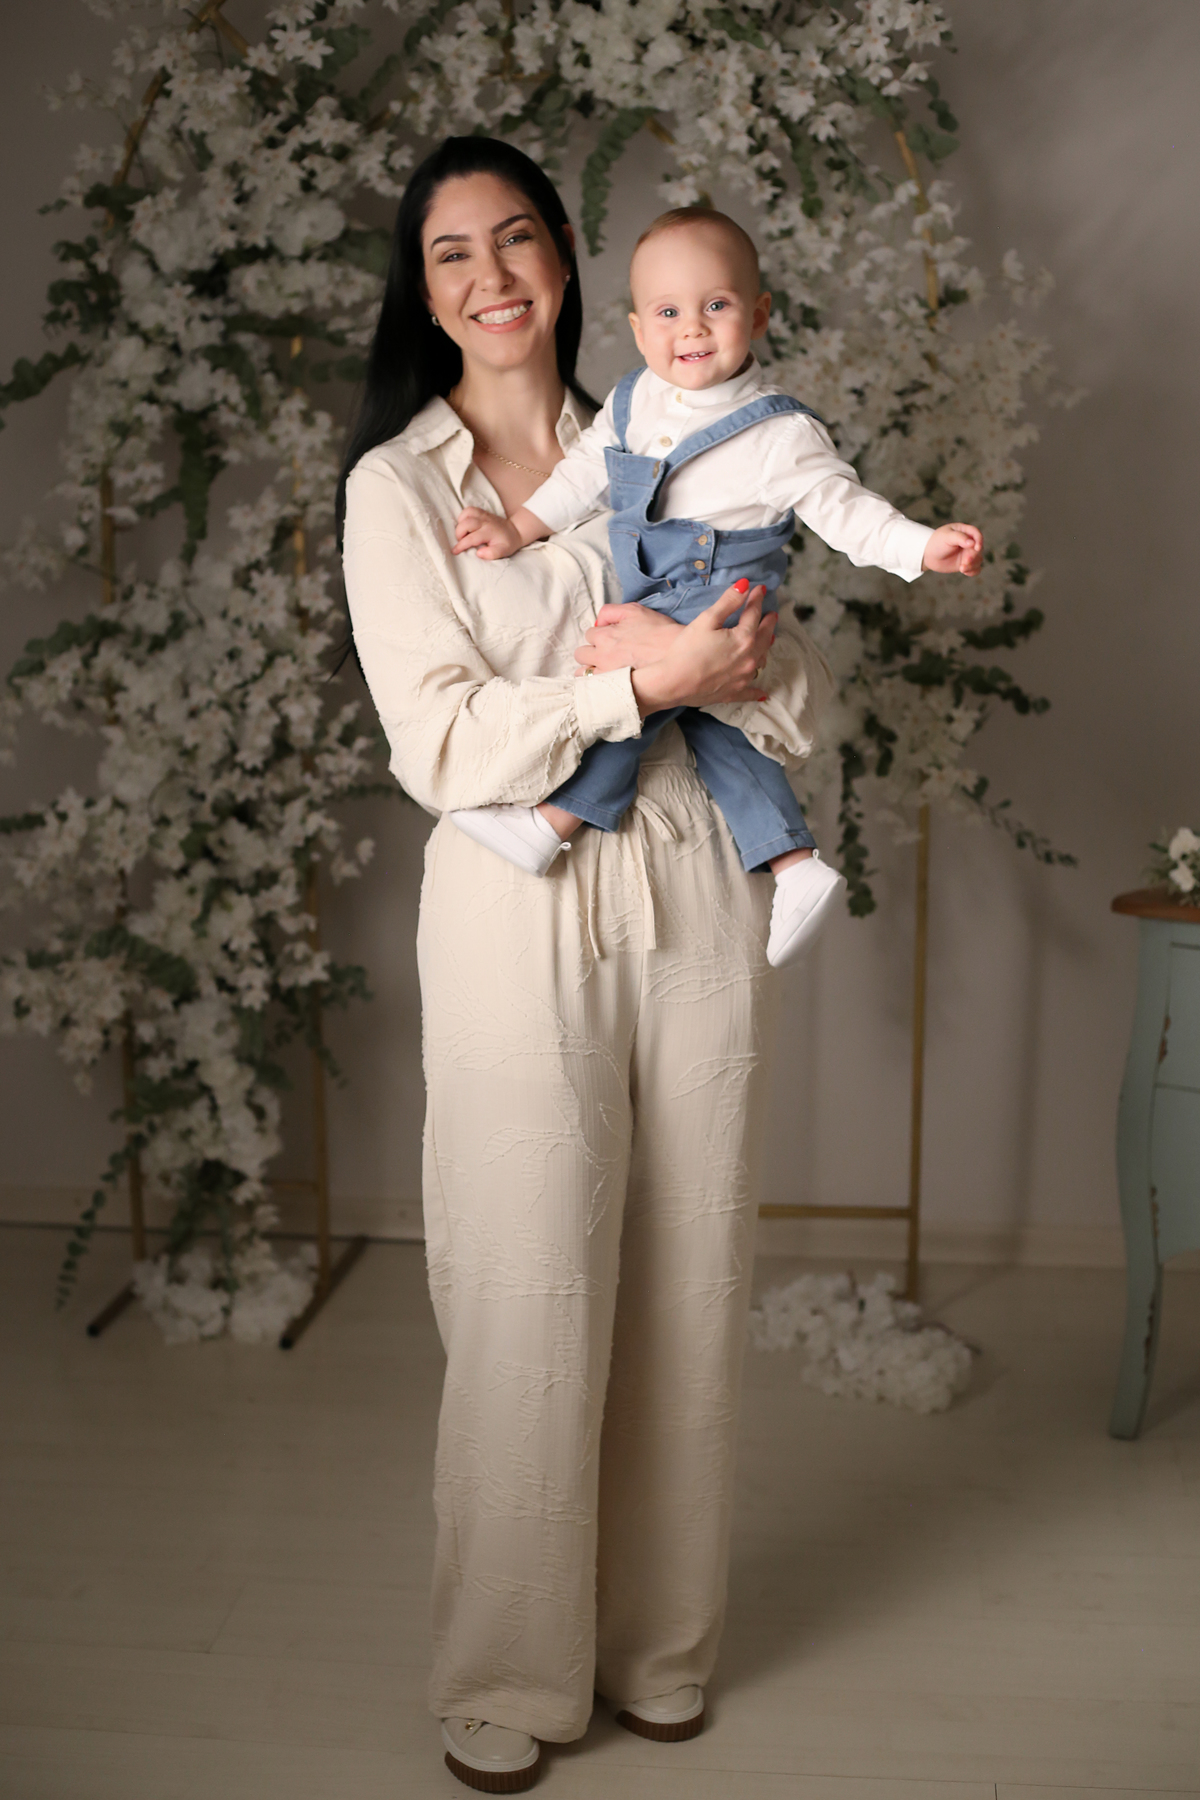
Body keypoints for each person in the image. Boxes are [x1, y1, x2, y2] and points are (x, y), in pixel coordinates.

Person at [339, 137, 831, 1794]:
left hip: (694, 880)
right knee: (525, 1294)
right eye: (452, 254)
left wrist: (741, 670)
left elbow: (787, 688)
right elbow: (441, 740)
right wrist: (645, 685)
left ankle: (660, 1649)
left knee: (689, 1283)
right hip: (513, 900)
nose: (491, 278)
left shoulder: (682, 424)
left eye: (519, 240)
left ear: (567, 260)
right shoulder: (399, 489)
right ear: (425, 292)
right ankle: (509, 1669)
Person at [448, 206, 984, 967]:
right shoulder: (632, 400)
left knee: (634, 694)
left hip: (721, 593)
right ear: (639, 330)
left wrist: (923, 545)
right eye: (668, 312)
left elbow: (846, 509)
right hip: (658, 588)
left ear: (757, 315)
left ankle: (553, 822)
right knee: (716, 730)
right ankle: (794, 865)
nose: (692, 328)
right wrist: (518, 527)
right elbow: (583, 476)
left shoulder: (778, 432)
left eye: (717, 305)